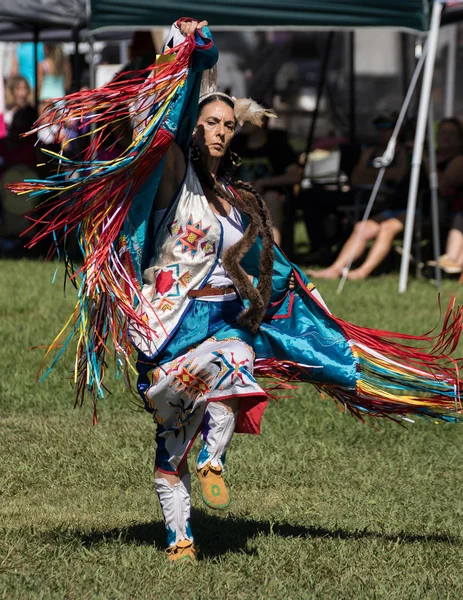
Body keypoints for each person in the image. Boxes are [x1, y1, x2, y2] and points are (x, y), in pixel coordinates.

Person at [9, 19, 463, 563]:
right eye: (211, 122)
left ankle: (204, 484)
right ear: (195, 128)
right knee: (180, 431)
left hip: (220, 328)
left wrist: (303, 292)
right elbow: (165, 128)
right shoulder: (176, 176)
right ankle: (184, 530)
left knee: (234, 360)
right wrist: (188, 56)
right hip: (169, 330)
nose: (220, 132)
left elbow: (270, 262)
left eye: (229, 124)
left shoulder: (235, 199)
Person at [307, 112, 409, 280]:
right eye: (380, 128)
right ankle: (334, 268)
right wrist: (381, 174)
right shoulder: (371, 150)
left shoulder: (403, 152)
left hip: (396, 205)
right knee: (359, 226)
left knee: (386, 228)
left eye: (388, 127)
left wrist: (370, 173)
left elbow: (398, 175)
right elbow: (356, 177)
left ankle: (362, 272)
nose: (383, 132)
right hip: (364, 196)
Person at [231, 111, 301, 245]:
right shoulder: (236, 143)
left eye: (249, 117)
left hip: (270, 194)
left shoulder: (277, 144)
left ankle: (272, 255)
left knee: (272, 198)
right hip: (239, 193)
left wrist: (264, 182)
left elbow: (295, 176)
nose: (243, 121)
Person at [426, 118, 463, 274]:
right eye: (443, 133)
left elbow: (443, 186)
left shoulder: (459, 159)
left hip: (448, 208)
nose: (446, 137)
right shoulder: (431, 155)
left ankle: (454, 260)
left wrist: (427, 162)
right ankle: (452, 260)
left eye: (451, 134)